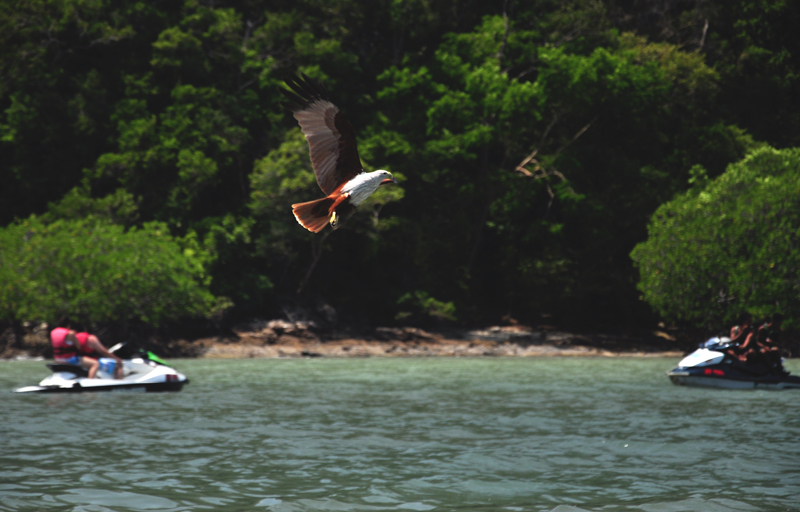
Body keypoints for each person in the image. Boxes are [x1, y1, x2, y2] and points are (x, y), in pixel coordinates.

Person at [50, 325, 123, 379]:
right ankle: (119, 382)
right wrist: (116, 358)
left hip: (69, 360)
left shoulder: (72, 338)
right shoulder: (90, 339)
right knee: (117, 365)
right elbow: (103, 352)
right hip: (84, 361)